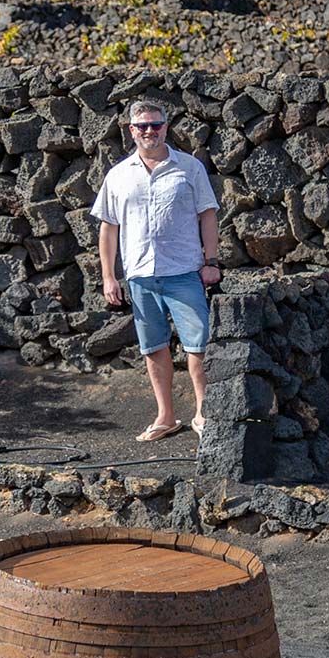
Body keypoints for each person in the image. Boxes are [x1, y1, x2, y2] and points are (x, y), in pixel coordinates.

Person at [89, 98, 222, 442]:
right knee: (153, 347)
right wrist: (107, 276)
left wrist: (211, 262)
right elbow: (108, 227)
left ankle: (204, 412)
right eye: (143, 126)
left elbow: (208, 214)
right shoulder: (118, 175)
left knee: (198, 344)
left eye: (156, 124)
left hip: (183, 271)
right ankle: (166, 416)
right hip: (141, 274)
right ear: (132, 130)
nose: (150, 131)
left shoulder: (189, 168)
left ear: (166, 127)